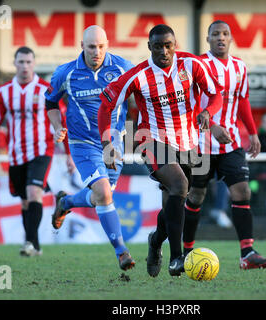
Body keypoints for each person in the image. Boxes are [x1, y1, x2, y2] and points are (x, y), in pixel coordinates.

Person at [98, 24, 224, 277]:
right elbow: (106, 105)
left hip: (188, 142)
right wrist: (107, 144)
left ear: (175, 45)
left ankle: (155, 241)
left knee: (174, 202)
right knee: (179, 185)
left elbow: (216, 93)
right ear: (149, 47)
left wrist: (208, 112)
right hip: (150, 139)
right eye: (158, 46)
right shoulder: (138, 75)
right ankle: (178, 258)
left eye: (168, 46)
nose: (164, 51)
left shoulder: (192, 65)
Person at [181, 20, 266, 270]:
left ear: (231, 38)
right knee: (196, 196)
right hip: (199, 143)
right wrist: (211, 126)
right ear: (208, 39)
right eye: (215, 34)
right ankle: (186, 252)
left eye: (225, 34)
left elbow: (242, 100)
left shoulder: (239, 67)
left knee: (242, 191)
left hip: (230, 143)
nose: (220, 38)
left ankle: (247, 252)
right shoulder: (198, 65)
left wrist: (253, 133)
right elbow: (188, 105)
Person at [45, 25, 136, 271]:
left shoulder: (123, 68)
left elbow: (141, 96)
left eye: (101, 46)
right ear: (81, 46)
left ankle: (65, 203)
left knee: (100, 197)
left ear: (107, 45)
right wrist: (57, 126)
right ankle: (122, 252)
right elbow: (50, 101)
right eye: (91, 46)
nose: (97, 52)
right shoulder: (65, 73)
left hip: (113, 144)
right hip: (82, 143)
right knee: (105, 194)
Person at [0, 46, 72, 257]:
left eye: (29, 62)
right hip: (16, 153)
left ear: (34, 64)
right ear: (14, 64)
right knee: (25, 200)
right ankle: (35, 246)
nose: (25, 66)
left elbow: (62, 122)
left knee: (33, 192)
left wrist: (68, 155)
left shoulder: (46, 89)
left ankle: (29, 242)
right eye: (21, 62)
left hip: (42, 150)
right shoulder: (4, 92)